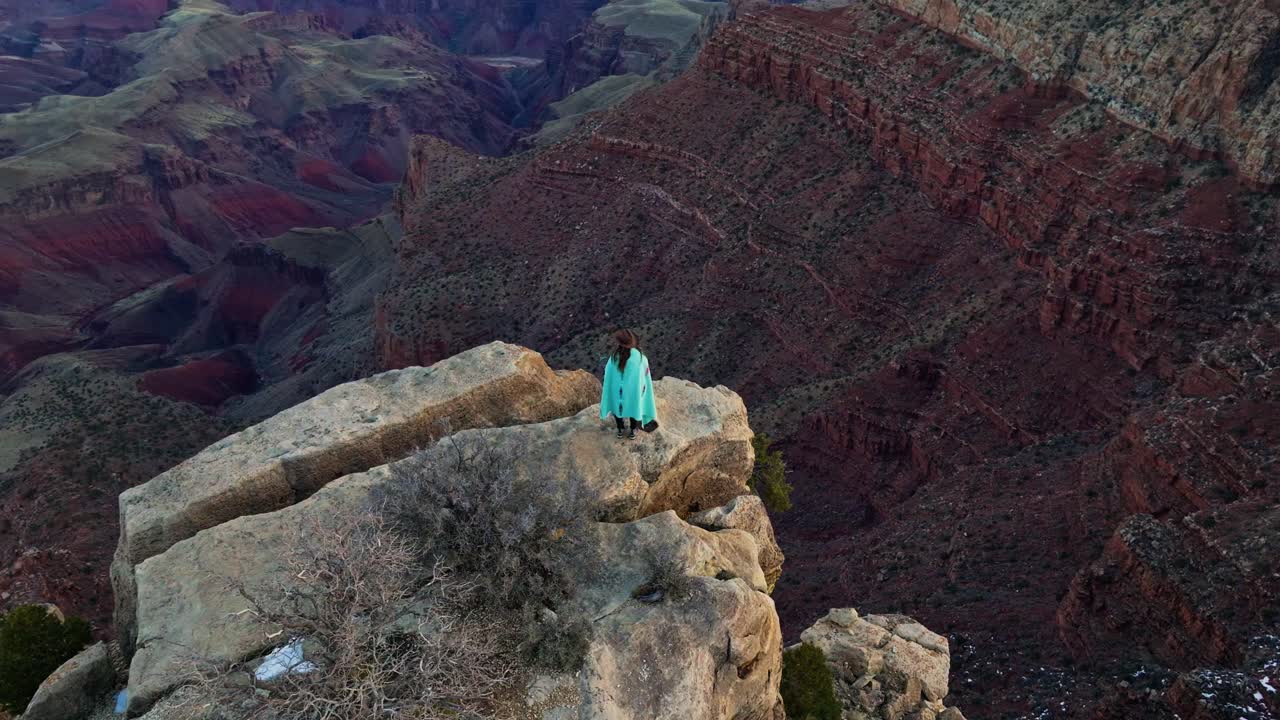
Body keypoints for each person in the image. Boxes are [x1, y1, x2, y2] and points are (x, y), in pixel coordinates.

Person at [600, 329, 656, 439]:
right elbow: (644, 377)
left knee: (617, 408)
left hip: (617, 392)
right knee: (634, 407)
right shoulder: (640, 359)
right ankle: (633, 430)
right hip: (634, 392)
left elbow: (608, 375)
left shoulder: (614, 358)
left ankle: (620, 429)